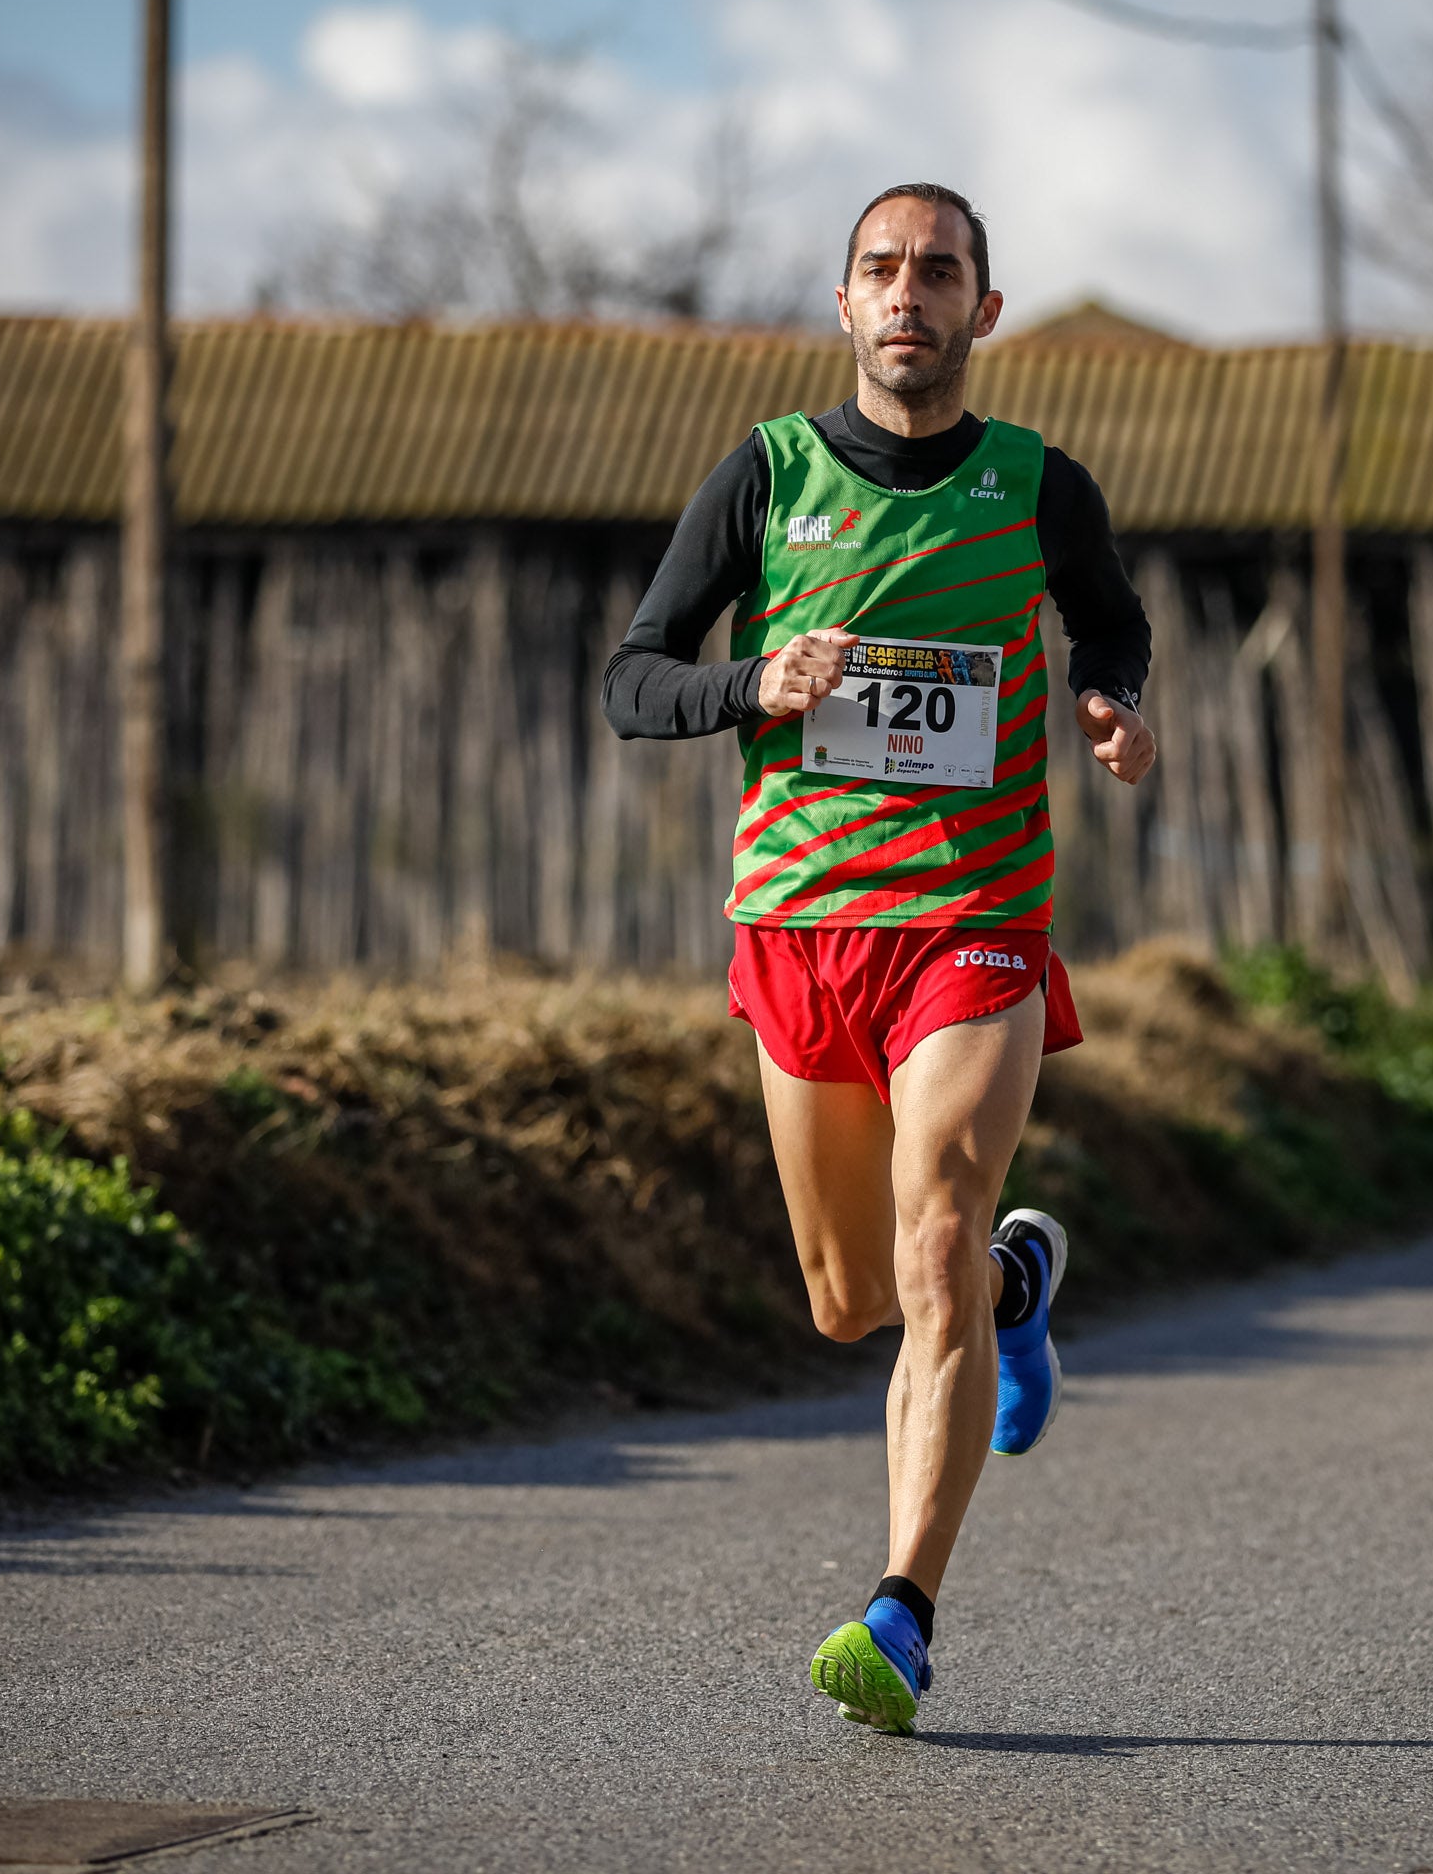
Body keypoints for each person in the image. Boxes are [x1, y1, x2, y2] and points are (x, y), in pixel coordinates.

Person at [601, 182, 1156, 1734]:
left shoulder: (1039, 487)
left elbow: (1112, 626)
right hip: (799, 932)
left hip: (973, 922)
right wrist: (750, 686)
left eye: (941, 272)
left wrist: (1113, 700)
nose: (909, 294)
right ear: (843, 305)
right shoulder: (765, 475)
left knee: (929, 1233)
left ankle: (901, 1610)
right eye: (881, 270)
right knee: (856, 1302)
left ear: (984, 312)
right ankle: (1011, 1289)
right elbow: (630, 679)